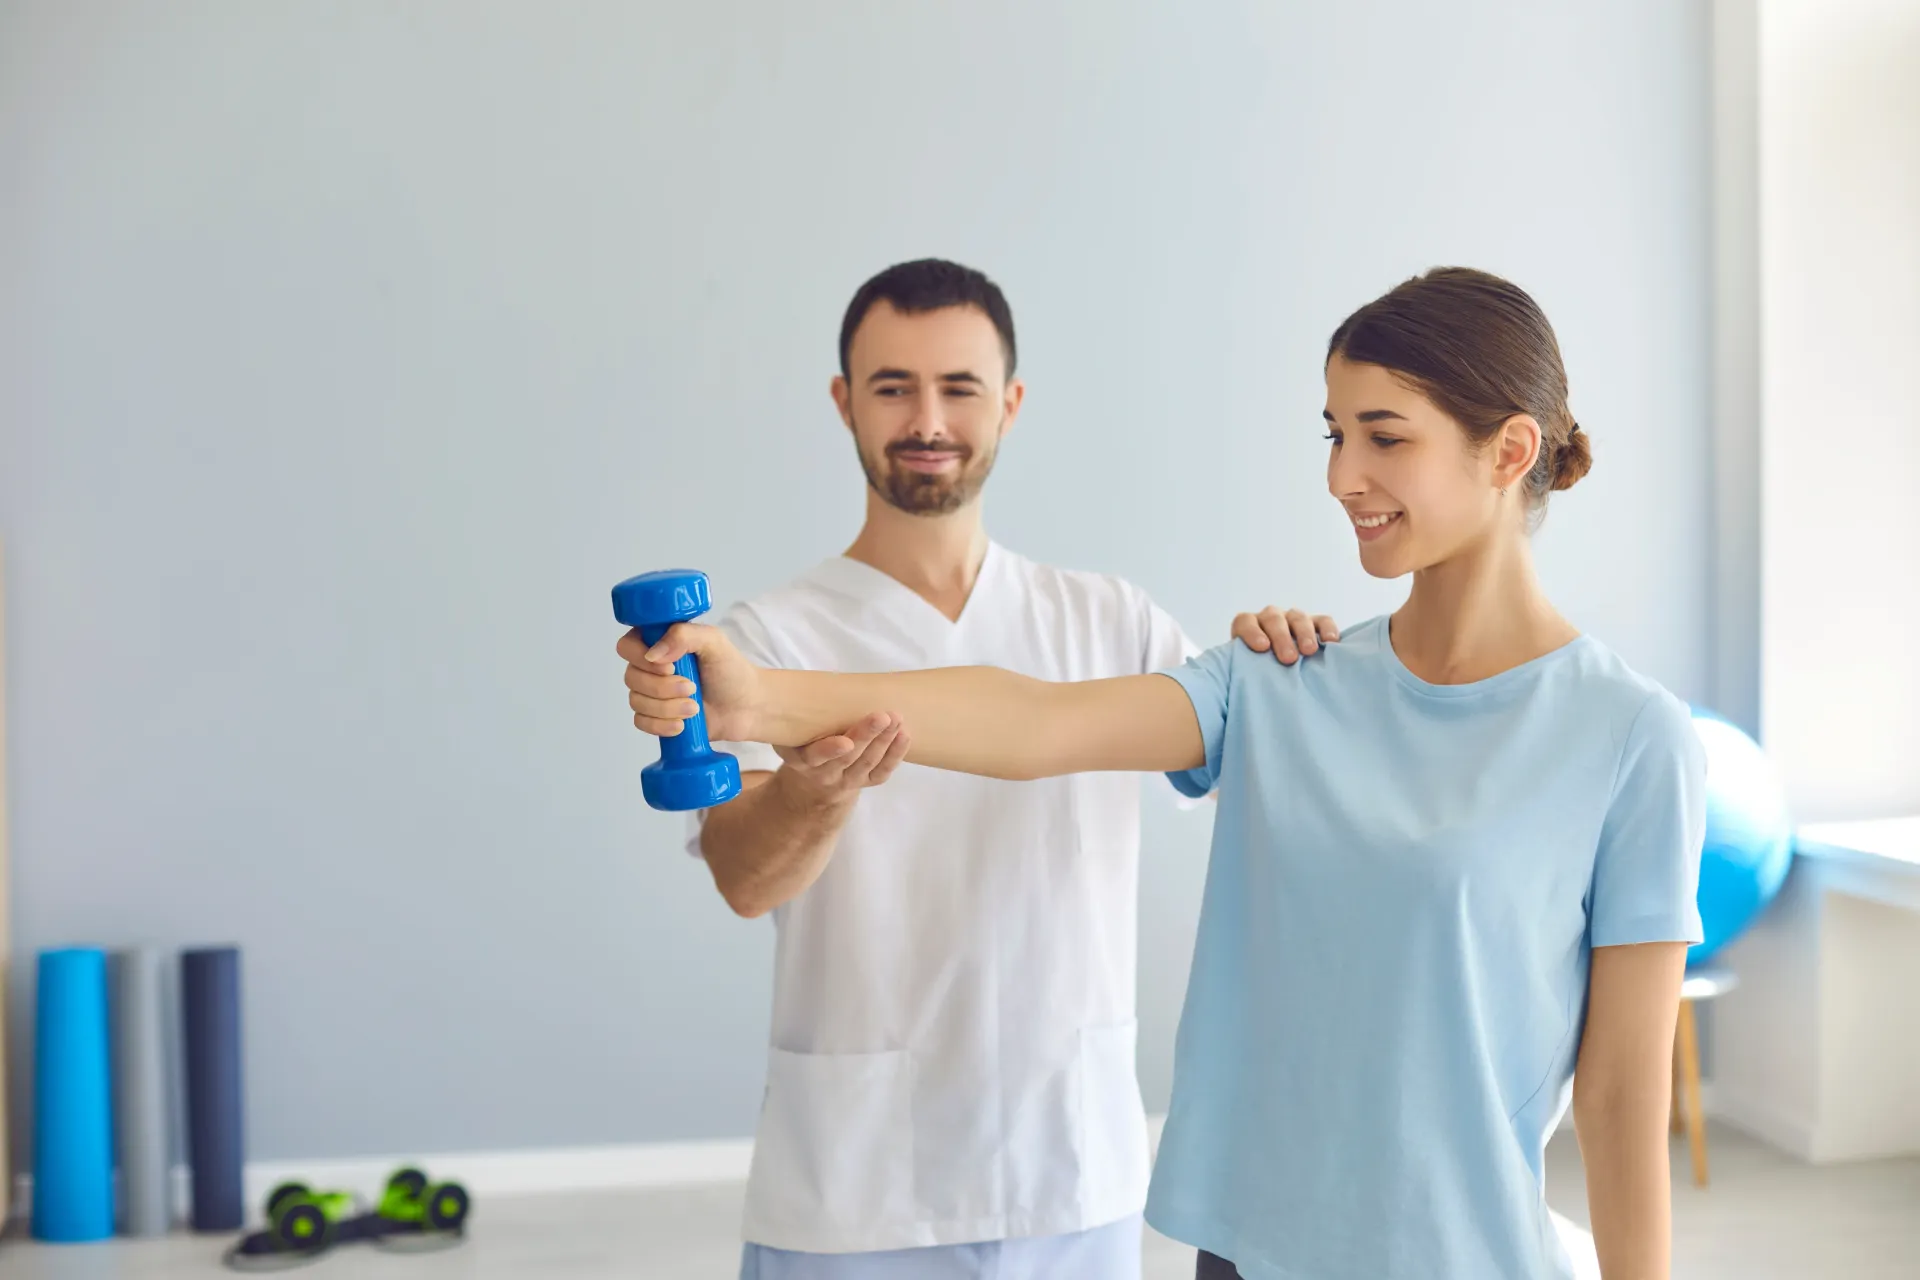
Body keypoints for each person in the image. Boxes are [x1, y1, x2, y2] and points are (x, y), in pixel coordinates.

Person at [623, 266, 1706, 1280]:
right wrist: (759, 698)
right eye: (1334, 434)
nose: (1341, 477)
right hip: (1237, 1244)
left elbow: (1618, 1092)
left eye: (1383, 436)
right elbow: (1033, 719)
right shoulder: (1283, 682)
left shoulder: (1632, 738)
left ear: (1510, 451)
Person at [666, 258, 1338, 1280]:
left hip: (1074, 1171)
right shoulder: (763, 639)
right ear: (844, 401)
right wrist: (812, 794)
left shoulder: (1114, 620)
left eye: (960, 387)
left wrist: (1278, 657)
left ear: (1011, 404)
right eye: (892, 386)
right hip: (854, 1187)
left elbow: (1265, 778)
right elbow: (743, 874)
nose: (927, 418)